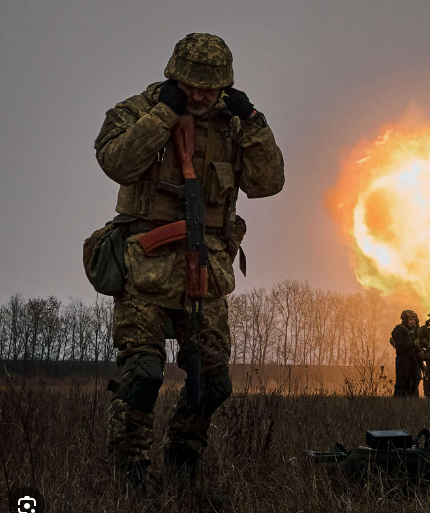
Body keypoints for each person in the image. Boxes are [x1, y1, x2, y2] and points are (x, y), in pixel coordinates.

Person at [94, 33, 284, 489]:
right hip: (146, 272)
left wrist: (254, 120)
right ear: (174, 77)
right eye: (193, 86)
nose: (201, 95)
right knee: (142, 378)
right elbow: (116, 162)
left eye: (211, 88)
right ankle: (133, 479)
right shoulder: (139, 110)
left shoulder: (235, 124)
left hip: (208, 271)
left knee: (213, 384)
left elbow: (268, 181)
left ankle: (182, 467)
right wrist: (163, 114)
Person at [391, 310, 422, 397]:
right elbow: (400, 345)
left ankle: (414, 402)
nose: (413, 322)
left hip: (414, 359)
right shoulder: (399, 330)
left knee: (415, 382)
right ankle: (399, 402)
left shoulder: (417, 330)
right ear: (405, 320)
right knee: (402, 382)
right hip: (403, 360)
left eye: (414, 320)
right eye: (410, 320)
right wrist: (413, 344)